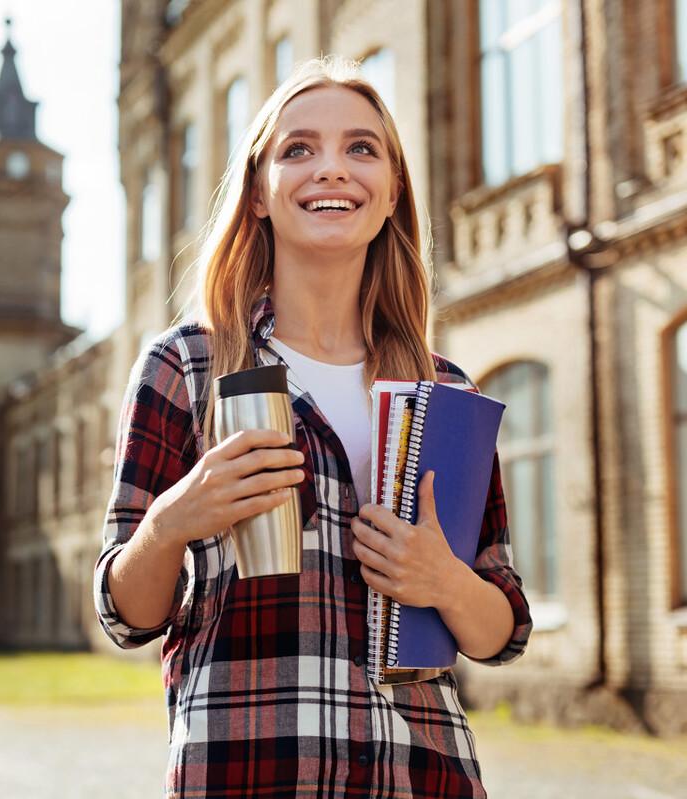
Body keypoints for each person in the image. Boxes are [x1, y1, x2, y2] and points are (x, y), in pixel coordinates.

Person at [93, 56, 532, 798]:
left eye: (362, 148)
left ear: (392, 192)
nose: (332, 169)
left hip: (421, 775)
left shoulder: (444, 392)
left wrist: (442, 580)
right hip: (248, 772)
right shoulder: (188, 367)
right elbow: (124, 614)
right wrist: (171, 523)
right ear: (259, 192)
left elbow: (501, 629)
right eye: (299, 149)